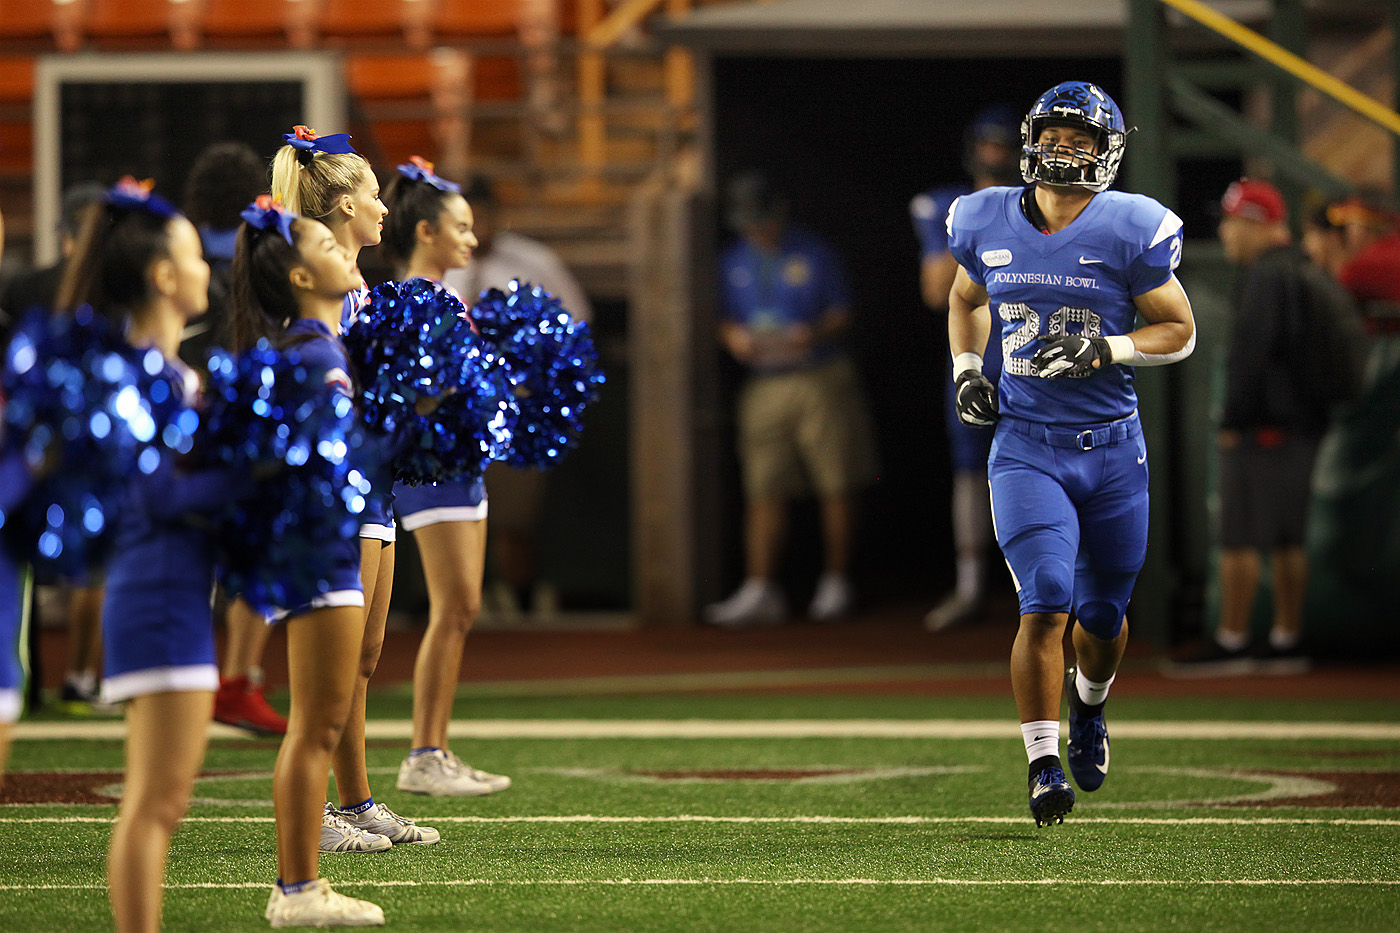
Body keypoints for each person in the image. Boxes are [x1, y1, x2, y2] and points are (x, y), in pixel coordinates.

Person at [945, 81, 1195, 826]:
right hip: (1026, 446)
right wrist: (967, 370)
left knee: (1103, 615)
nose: (1064, 149)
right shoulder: (983, 216)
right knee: (1045, 596)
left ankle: (1091, 706)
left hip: (1113, 450)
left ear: (1108, 152)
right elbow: (966, 298)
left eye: (1081, 140)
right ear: (1030, 140)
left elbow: (1179, 329)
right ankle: (1043, 760)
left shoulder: (1131, 227)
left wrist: (1106, 347)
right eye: (1054, 136)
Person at [55, 177, 222, 933]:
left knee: (164, 799)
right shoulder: (136, 375)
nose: (206, 268)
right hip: (153, 593)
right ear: (162, 276)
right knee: (154, 802)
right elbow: (153, 497)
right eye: (193, 254)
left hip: (176, 593)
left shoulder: (174, 374)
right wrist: (249, 478)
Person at [270, 125, 440, 852]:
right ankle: (319, 820)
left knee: (366, 654)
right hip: (333, 488)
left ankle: (359, 800)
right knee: (331, 669)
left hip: (372, 482)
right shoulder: (311, 277)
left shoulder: (359, 282)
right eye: (373, 192)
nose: (383, 206)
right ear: (342, 203)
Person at [227, 197, 386, 927]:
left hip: (318, 548)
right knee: (315, 723)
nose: (344, 248)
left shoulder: (312, 346)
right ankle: (296, 889)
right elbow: (310, 463)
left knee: (318, 720)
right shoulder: (315, 352)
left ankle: (301, 884)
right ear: (298, 273)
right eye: (328, 242)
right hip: (320, 552)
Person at [1172, 180, 1352, 675]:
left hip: (1265, 426)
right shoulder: (1299, 268)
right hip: (1300, 424)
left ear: (1253, 222)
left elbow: (1250, 357)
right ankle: (1286, 638)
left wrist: (1233, 420)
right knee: (1288, 537)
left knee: (1239, 536)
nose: (1226, 232)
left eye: (1231, 221)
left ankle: (1232, 640)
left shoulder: (1266, 276)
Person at [377, 158, 513, 796]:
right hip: (432, 469)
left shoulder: (445, 298)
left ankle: (434, 748)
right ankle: (423, 754)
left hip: (457, 465)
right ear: (426, 232)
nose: (473, 238)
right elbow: (410, 396)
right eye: (460, 226)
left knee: (462, 607)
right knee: (453, 604)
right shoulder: (412, 299)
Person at [704, 171, 878, 627]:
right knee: (763, 485)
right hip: (764, 380)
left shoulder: (815, 252)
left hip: (819, 374)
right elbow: (720, 318)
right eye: (747, 221)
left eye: (761, 218)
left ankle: (837, 581)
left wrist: (813, 332)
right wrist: (733, 337)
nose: (756, 229)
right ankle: (761, 586)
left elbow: (843, 312)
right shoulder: (731, 261)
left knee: (836, 478)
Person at [443, 174, 593, 621]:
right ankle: (462, 603)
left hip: (517, 405)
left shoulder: (533, 261)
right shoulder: (438, 264)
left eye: (481, 216)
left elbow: (578, 324)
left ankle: (520, 603)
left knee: (513, 518)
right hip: (453, 412)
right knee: (453, 517)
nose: (475, 227)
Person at [180, 139, 289, 737]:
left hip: (180, 417)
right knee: (260, 552)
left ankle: (197, 674)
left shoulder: (181, 249)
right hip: (241, 415)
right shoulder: (261, 251)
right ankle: (238, 677)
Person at [0, 182, 110, 715]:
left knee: (23, 565)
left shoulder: (21, 291)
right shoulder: (113, 290)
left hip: (30, 443)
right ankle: (78, 676)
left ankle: (37, 679)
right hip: (86, 446)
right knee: (93, 566)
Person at [909, 105, 1020, 632]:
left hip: (1032, 355)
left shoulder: (1037, 205)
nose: (996, 157)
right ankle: (971, 586)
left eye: (1005, 147)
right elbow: (936, 290)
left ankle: (1055, 589)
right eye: (989, 145)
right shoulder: (946, 206)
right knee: (970, 471)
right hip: (974, 358)